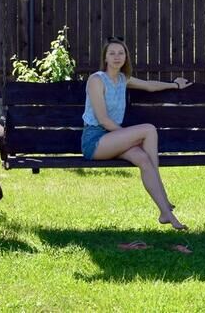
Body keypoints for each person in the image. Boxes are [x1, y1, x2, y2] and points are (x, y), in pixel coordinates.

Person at [82, 36, 191, 230]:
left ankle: (165, 214)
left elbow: (149, 86)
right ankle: (164, 196)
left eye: (121, 53)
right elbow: (103, 120)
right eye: (112, 53)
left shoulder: (123, 79)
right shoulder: (96, 80)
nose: (117, 57)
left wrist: (174, 84)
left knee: (143, 159)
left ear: (126, 57)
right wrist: (129, 137)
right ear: (105, 58)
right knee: (149, 129)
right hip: (95, 141)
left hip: (113, 140)